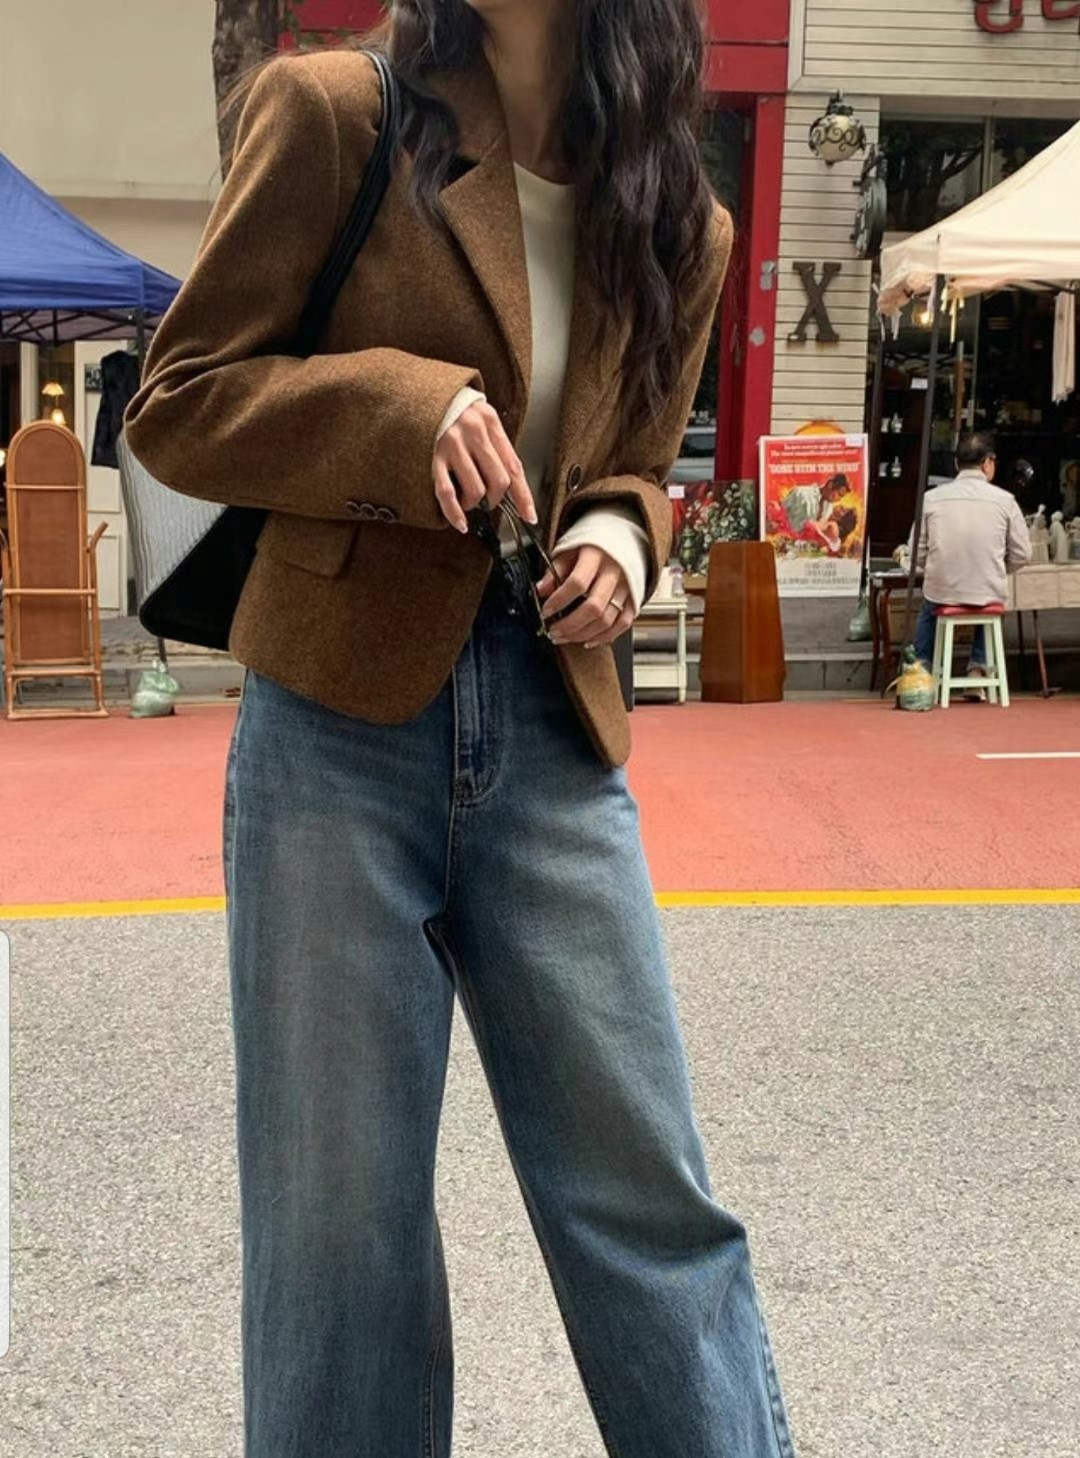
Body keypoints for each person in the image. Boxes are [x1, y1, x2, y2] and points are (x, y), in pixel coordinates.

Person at [125, 4, 798, 1456]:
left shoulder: (679, 215)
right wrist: (403, 411)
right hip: (335, 731)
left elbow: (636, 462)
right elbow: (178, 402)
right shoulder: (335, 113)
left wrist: (624, 534)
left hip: (554, 727)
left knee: (649, 1204)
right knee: (338, 1231)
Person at [913, 432, 1032, 697]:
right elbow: (1023, 553)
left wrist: (934, 565)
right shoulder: (1005, 500)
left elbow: (915, 553)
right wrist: (998, 567)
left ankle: (921, 671)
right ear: (988, 462)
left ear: (957, 464)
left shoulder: (932, 498)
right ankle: (977, 671)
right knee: (990, 602)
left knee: (929, 608)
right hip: (987, 588)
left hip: (942, 589)